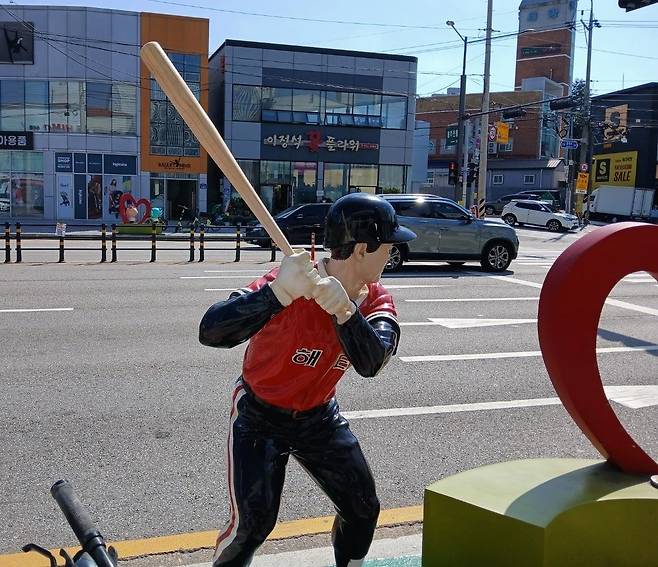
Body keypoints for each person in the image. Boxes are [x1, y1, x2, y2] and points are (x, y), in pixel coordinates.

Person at [199, 193, 416, 567]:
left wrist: (346, 313)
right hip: (260, 414)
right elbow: (211, 330)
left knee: (362, 507)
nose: (394, 253)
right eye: (389, 245)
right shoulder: (292, 280)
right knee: (253, 524)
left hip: (319, 416)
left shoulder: (376, 301)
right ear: (363, 249)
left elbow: (372, 363)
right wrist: (277, 294)